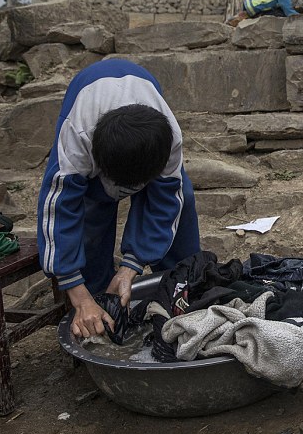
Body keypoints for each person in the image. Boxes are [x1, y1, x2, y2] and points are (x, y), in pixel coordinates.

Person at [37, 59, 200, 339]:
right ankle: (96, 309)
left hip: (147, 146)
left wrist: (129, 269)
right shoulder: (77, 137)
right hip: (90, 122)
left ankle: (183, 295)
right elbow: (59, 210)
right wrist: (78, 294)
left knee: (180, 202)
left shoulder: (168, 139)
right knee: (91, 219)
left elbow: (164, 202)